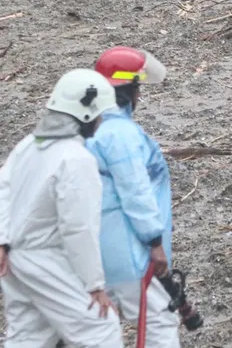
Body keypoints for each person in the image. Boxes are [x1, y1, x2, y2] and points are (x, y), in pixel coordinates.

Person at [0, 69, 123, 348]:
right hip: (46, 259)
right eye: (99, 115)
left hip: (15, 256)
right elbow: (78, 228)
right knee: (101, 330)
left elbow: (0, 189)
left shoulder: (29, 145)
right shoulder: (76, 159)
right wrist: (94, 285)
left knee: (28, 337)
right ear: (87, 115)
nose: (100, 122)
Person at [88, 47, 181, 348]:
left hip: (105, 250)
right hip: (130, 251)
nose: (140, 95)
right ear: (129, 91)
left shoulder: (96, 131)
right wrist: (154, 242)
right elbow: (135, 191)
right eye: (137, 88)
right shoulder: (121, 134)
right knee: (159, 322)